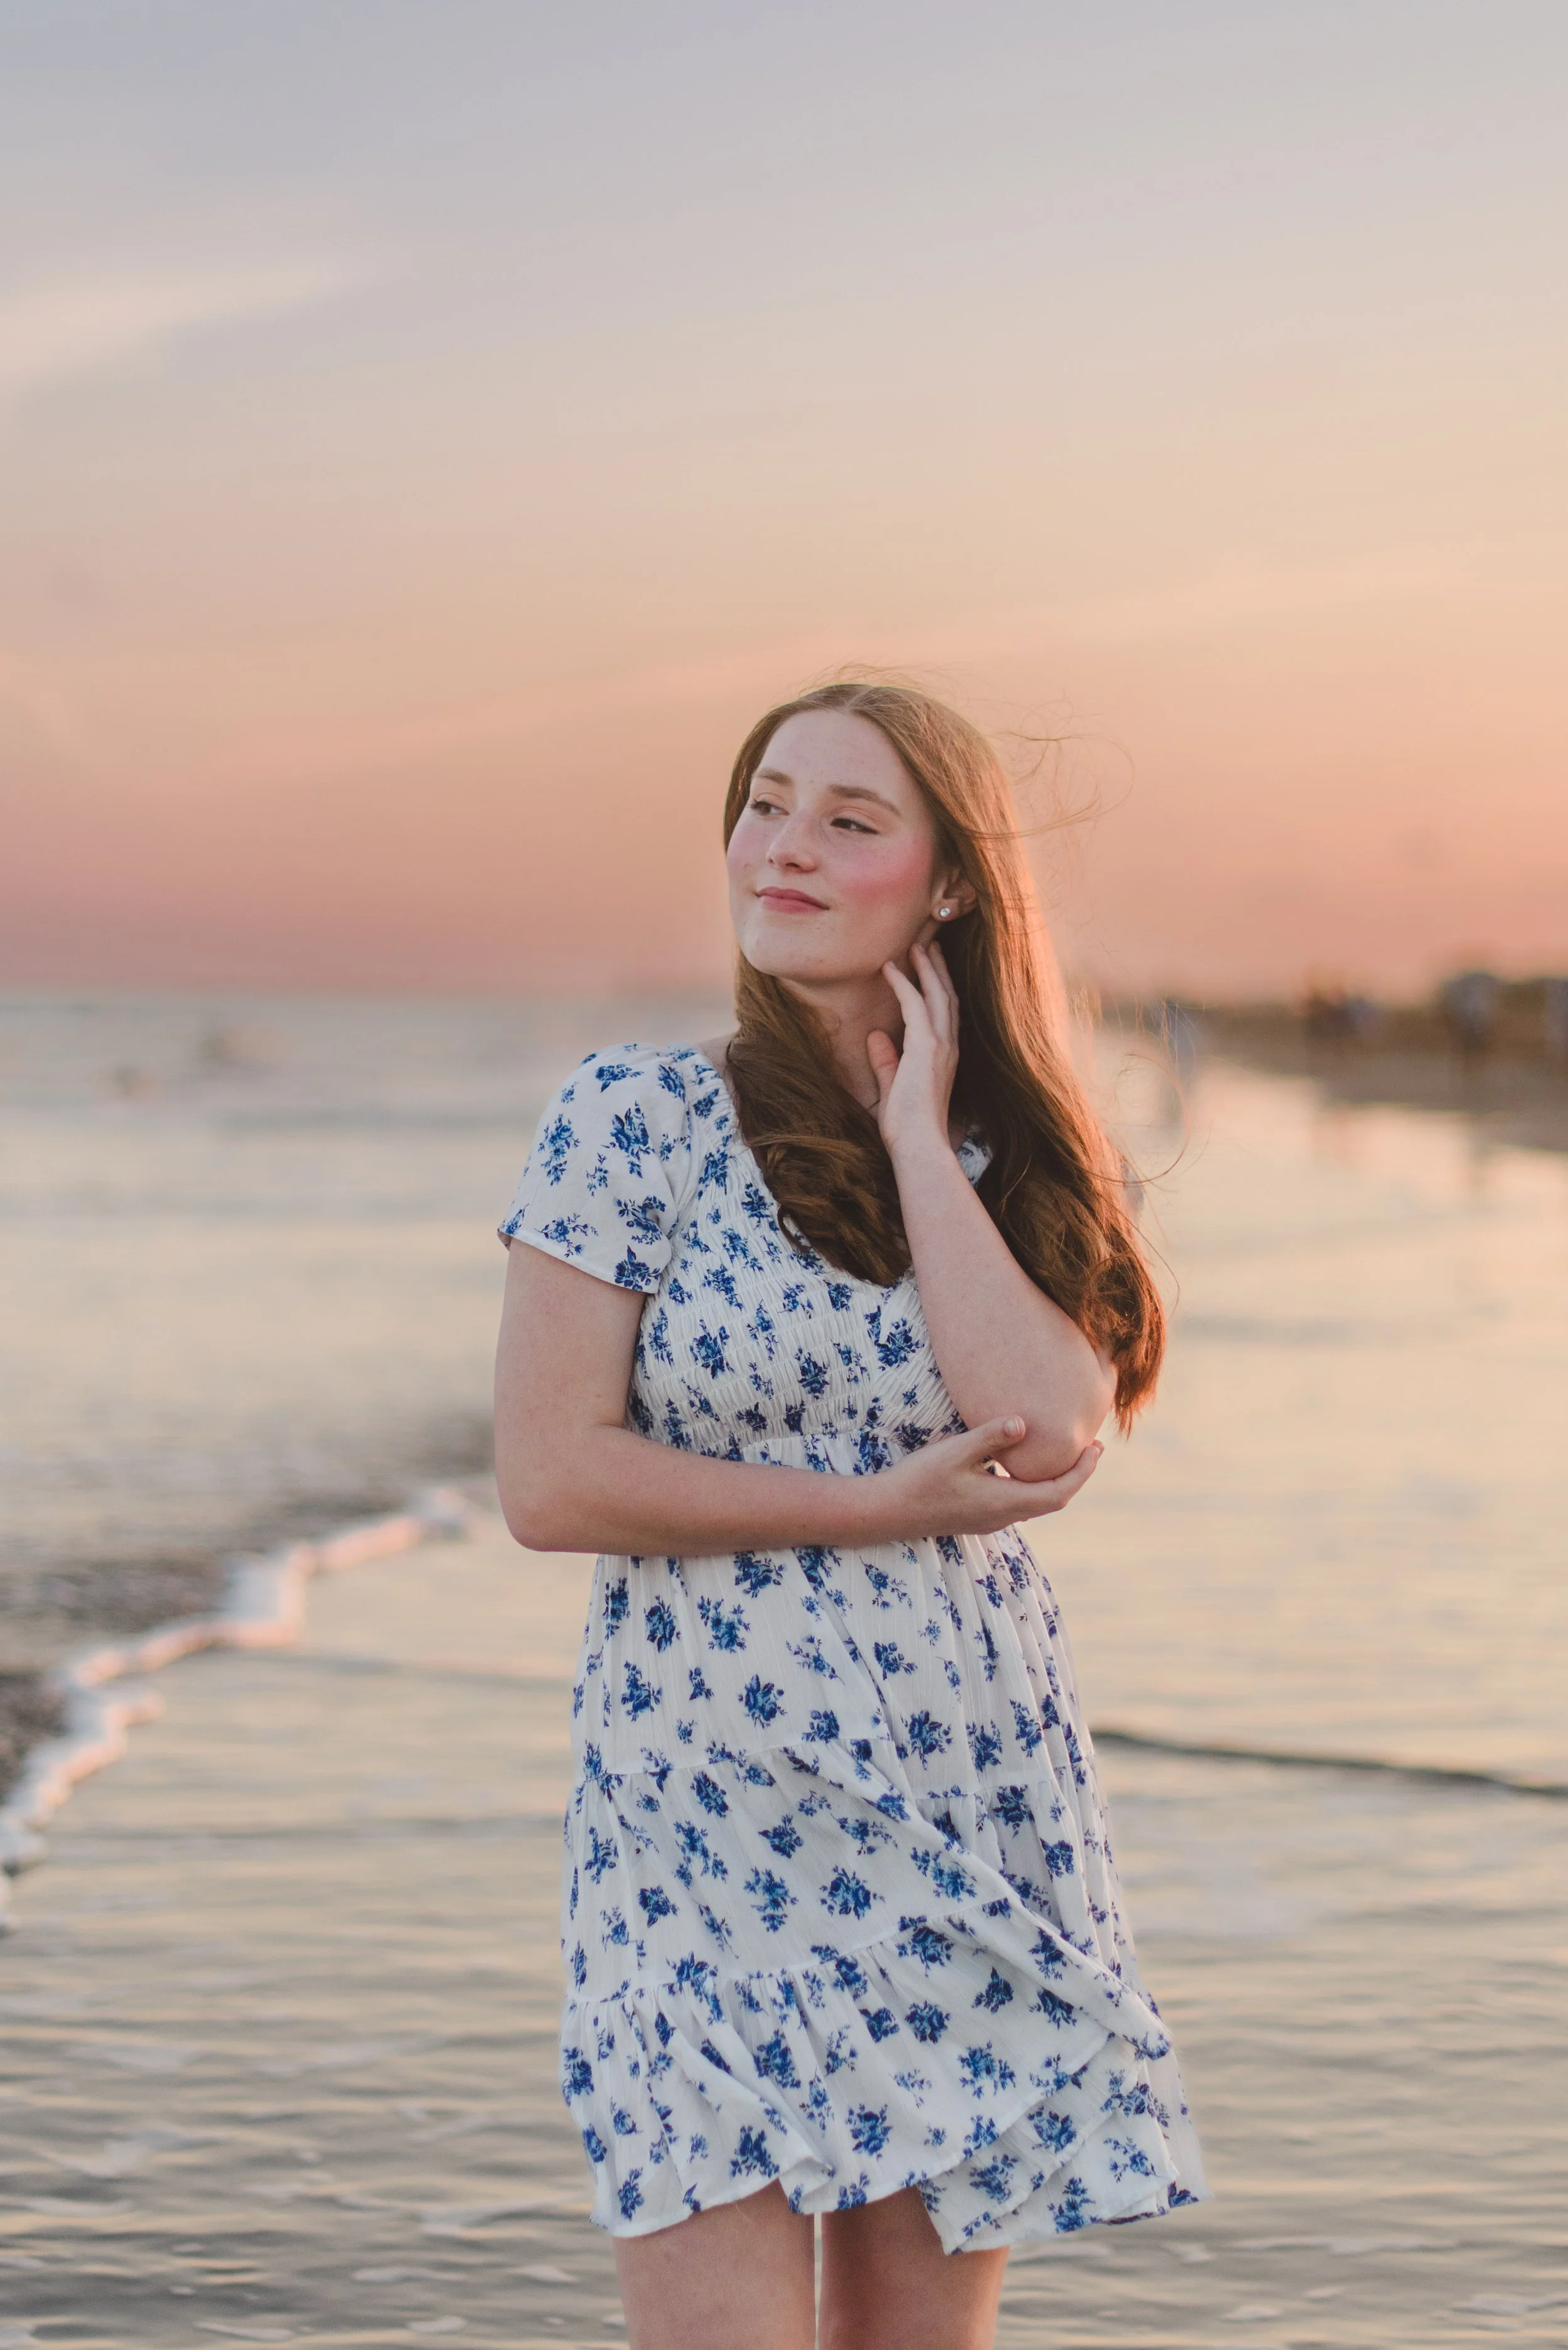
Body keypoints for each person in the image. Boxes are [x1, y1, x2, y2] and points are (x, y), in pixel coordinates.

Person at [494, 681, 1206, 2350]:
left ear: (949, 884)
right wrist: (868, 1506)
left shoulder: (995, 1152)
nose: (783, 846)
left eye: (846, 818)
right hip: (704, 1805)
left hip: (953, 1779)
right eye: (764, 801)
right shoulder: (632, 1115)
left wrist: (917, 1144)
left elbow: (1038, 1431)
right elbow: (550, 1478)